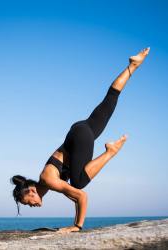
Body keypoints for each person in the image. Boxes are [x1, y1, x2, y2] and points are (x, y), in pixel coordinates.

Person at [10, 47, 150, 233]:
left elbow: (81, 196)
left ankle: (110, 152)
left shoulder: (48, 180)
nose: (32, 206)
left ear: (31, 192)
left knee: (78, 183)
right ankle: (133, 65)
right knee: (110, 100)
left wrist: (76, 226)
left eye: (28, 203)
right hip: (80, 131)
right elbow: (73, 197)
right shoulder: (46, 183)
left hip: (79, 138)